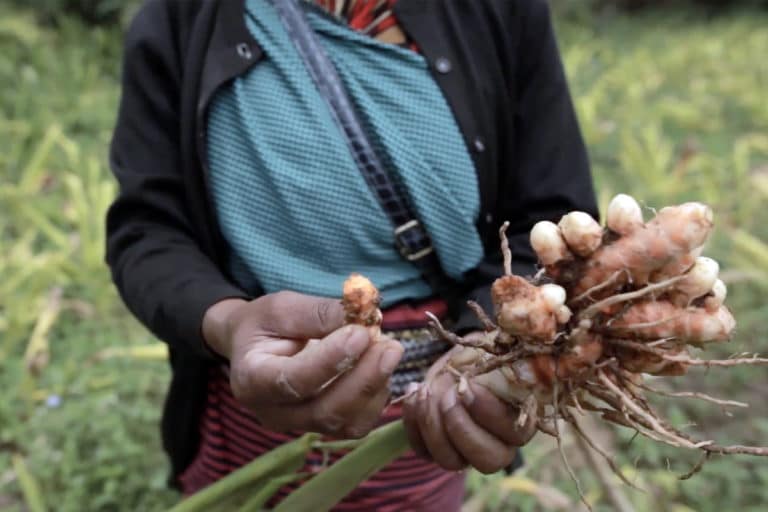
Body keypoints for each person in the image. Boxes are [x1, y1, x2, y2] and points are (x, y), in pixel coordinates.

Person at [106, 0, 598, 509]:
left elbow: (553, 221)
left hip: (429, 423)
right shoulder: (179, 20)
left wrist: (488, 345)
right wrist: (229, 323)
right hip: (250, 413)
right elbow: (148, 231)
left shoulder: (497, 12)